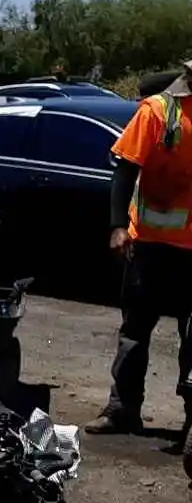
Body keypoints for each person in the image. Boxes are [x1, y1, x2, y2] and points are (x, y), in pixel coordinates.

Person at [86, 61, 192, 479]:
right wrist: (116, 226)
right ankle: (121, 409)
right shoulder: (157, 111)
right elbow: (126, 167)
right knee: (135, 331)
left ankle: (191, 419)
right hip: (150, 245)